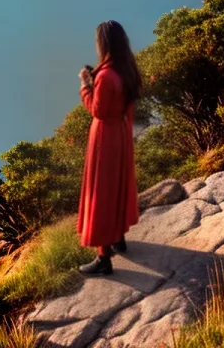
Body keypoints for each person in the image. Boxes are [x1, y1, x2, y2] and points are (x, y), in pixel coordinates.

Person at [76, 20, 141, 275]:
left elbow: (97, 110)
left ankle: (104, 259)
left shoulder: (105, 76)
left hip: (104, 138)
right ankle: (119, 238)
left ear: (103, 44)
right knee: (118, 187)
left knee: (101, 193)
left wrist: (84, 85)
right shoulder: (126, 69)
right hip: (121, 135)